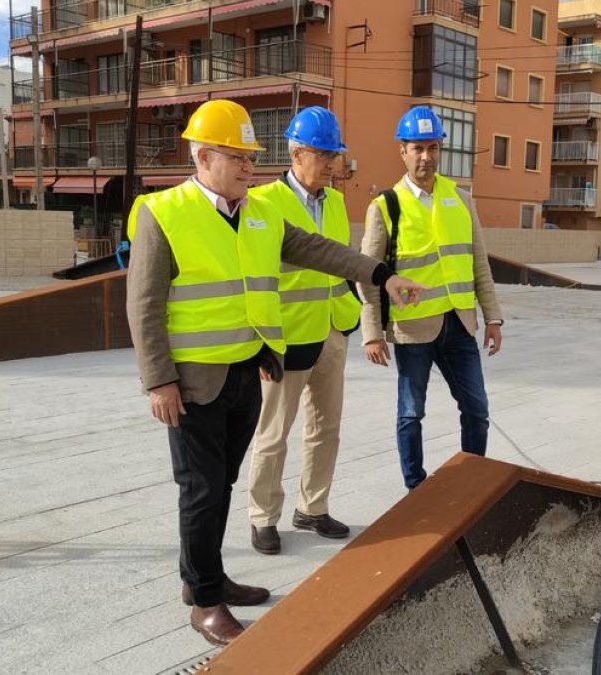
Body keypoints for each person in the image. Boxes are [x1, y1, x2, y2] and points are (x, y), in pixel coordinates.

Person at [126, 99, 423, 646]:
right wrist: (158, 380)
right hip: (191, 383)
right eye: (237, 156)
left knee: (221, 485)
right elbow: (143, 305)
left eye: (251, 157)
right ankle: (206, 601)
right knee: (200, 491)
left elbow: (319, 250)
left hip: (247, 371)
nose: (247, 166)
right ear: (205, 155)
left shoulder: (260, 214)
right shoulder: (163, 211)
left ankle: (203, 581)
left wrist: (381, 274)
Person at [358, 106, 504, 490]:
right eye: (418, 148)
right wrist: (371, 330)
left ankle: (473, 480)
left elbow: (479, 264)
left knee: (477, 409)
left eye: (433, 147)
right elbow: (368, 274)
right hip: (413, 328)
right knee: (410, 413)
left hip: (459, 324)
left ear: (441, 149)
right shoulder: (386, 207)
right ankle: (415, 486)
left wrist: (493, 317)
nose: (426, 156)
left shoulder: (461, 199)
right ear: (402, 151)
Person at [246, 107, 359, 555]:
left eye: (335, 154)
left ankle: (313, 507)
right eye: (325, 153)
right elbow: (255, 278)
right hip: (286, 340)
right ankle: (263, 516)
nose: (333, 163)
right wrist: (262, 341)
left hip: (332, 331)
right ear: (296, 153)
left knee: (326, 427)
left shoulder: (335, 203)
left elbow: (342, 264)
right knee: (274, 432)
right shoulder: (265, 204)